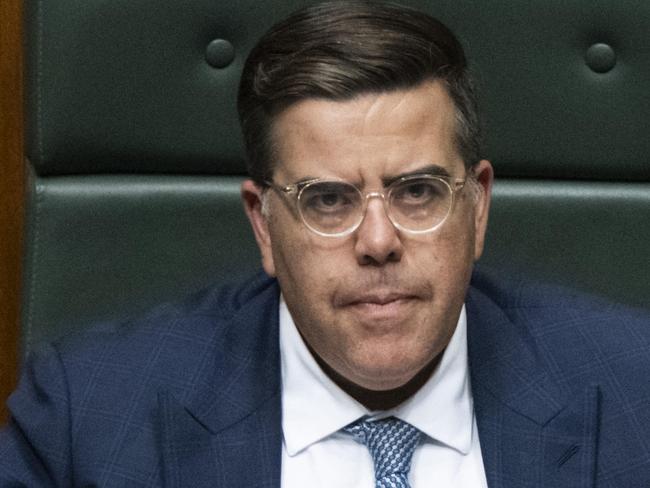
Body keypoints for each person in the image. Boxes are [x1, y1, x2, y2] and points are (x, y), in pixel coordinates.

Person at [1, 1, 649, 487]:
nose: (377, 241)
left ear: (477, 208)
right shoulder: (80, 425)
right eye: (328, 200)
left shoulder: (635, 393)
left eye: (417, 191)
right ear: (263, 226)